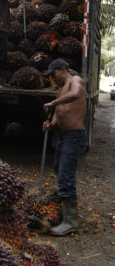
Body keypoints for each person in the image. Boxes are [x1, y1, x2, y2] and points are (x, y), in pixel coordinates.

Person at [42, 58, 87, 236]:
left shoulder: (75, 81)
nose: (53, 79)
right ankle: (64, 204)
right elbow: (59, 113)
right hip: (63, 136)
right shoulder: (60, 90)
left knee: (66, 174)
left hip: (74, 136)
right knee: (59, 169)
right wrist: (51, 124)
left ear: (63, 69)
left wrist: (54, 103)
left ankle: (70, 221)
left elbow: (76, 95)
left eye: (54, 74)